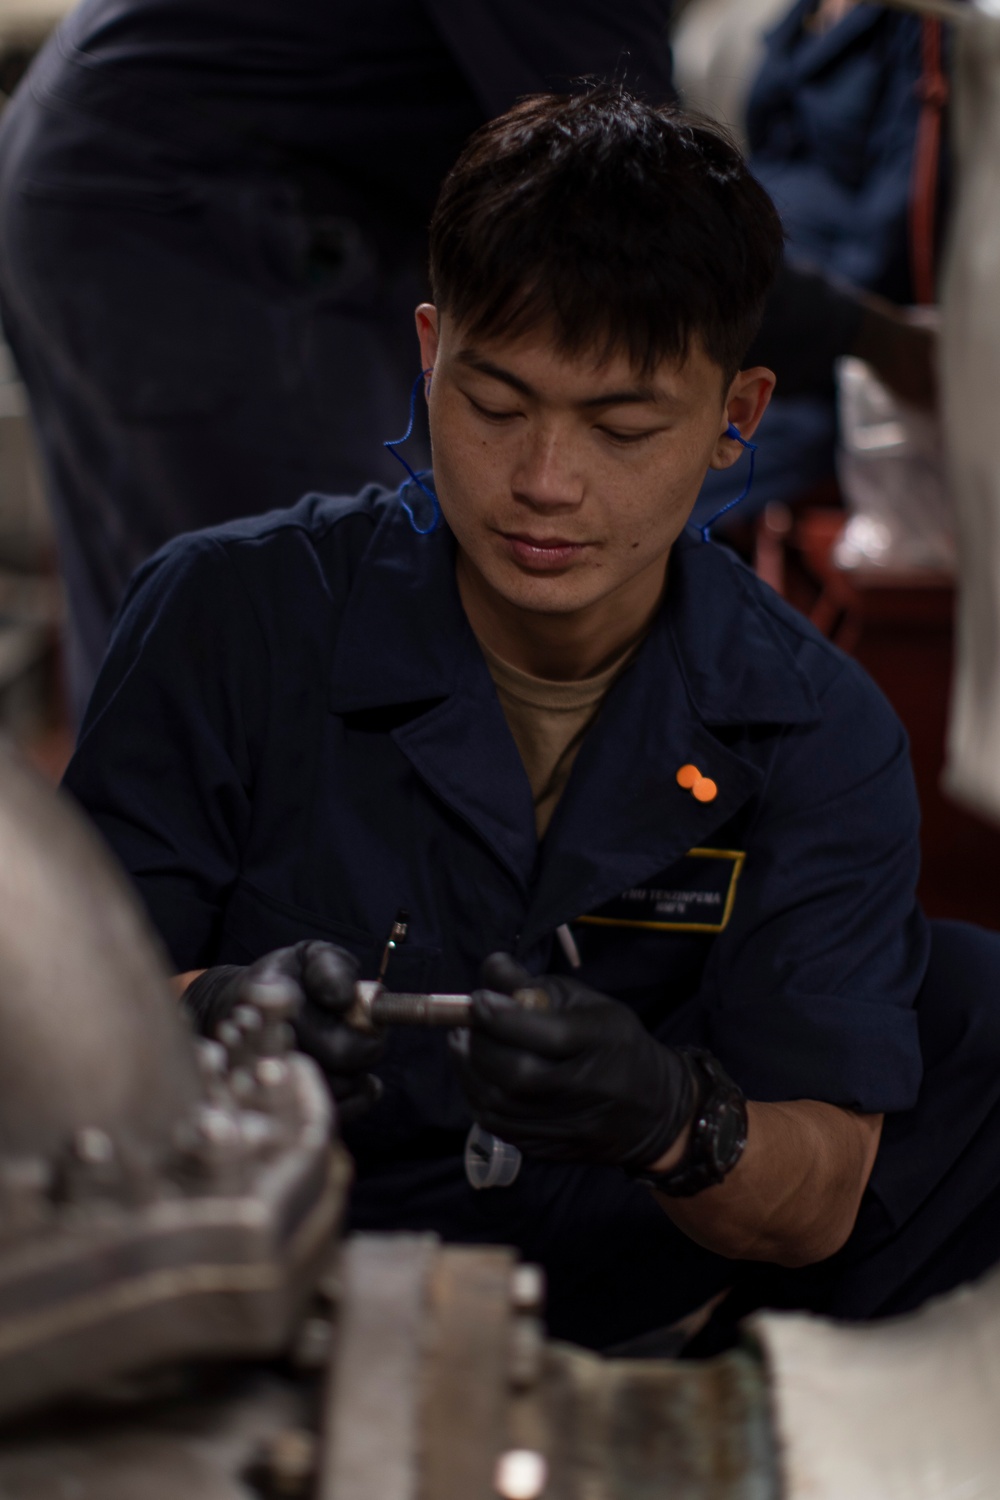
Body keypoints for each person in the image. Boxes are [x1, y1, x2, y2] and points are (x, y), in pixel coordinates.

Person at [63, 88, 1000, 1351]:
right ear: (429, 350)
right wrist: (210, 1018)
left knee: (966, 1004)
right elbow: (55, 1036)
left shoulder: (813, 728)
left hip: (636, 1292)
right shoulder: (228, 620)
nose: (544, 486)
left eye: (621, 427)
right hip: (280, 1265)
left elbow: (817, 1192)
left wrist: (673, 1119)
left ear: (737, 417)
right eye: (495, 405)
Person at [0, 0, 676, 722]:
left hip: (97, 158)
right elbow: (645, 211)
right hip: (185, 207)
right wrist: (803, 332)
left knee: (200, 651)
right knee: (324, 650)